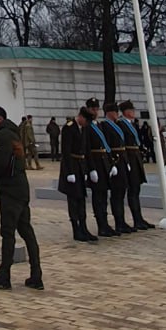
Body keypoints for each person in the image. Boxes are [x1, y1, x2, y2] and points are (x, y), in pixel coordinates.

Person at [0, 104, 43, 291]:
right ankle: (36, 274)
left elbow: (2, 162)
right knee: (26, 231)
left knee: (8, 233)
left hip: (11, 190)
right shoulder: (12, 132)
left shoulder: (3, 135)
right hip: (20, 189)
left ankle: (4, 275)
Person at [59, 107, 97, 243]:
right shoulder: (69, 128)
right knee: (73, 200)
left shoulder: (84, 128)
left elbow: (87, 150)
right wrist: (69, 172)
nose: (86, 124)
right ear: (80, 117)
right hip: (72, 166)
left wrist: (91, 169)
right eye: (86, 120)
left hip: (81, 166)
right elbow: (65, 151)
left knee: (82, 198)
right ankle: (76, 229)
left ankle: (84, 227)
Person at [119, 101, 154, 229]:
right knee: (132, 190)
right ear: (126, 111)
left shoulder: (131, 124)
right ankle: (136, 219)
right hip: (130, 157)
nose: (133, 112)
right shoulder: (122, 124)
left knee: (136, 189)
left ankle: (139, 218)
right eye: (131, 110)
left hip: (136, 157)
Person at [101, 102, 133, 234]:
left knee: (122, 192)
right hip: (115, 161)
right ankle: (118, 221)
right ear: (109, 113)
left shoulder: (116, 125)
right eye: (114, 112)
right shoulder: (105, 126)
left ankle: (121, 220)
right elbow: (107, 145)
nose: (116, 114)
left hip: (122, 161)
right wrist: (112, 164)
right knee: (116, 194)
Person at [85, 105, 116, 237]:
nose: (95, 111)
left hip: (103, 164)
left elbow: (106, 145)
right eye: (93, 109)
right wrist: (91, 169)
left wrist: (111, 163)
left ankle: (105, 223)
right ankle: (101, 225)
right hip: (96, 164)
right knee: (98, 197)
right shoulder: (87, 127)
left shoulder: (100, 126)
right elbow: (87, 149)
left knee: (104, 196)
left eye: (97, 109)